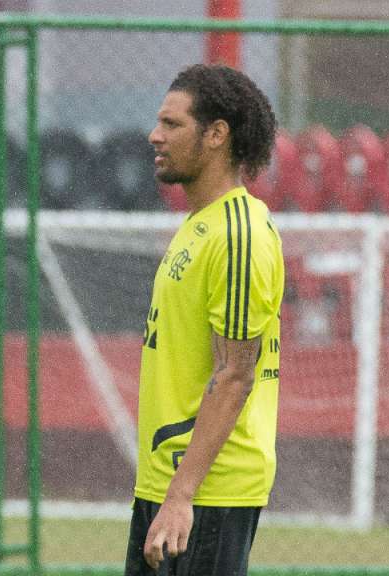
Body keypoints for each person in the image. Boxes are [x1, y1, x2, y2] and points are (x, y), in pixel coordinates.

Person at [126, 64, 284, 576]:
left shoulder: (238, 235)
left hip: (206, 495)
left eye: (172, 124)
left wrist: (181, 496)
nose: (156, 135)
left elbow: (235, 373)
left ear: (216, 134)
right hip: (168, 484)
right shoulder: (200, 224)